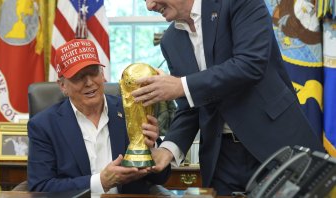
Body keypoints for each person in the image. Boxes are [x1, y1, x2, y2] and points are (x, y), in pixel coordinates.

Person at [132, 0, 325, 195]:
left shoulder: (238, 2)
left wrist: (181, 85)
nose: (149, 6)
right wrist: (168, 149)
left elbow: (250, 64)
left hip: (274, 144)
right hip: (221, 159)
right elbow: (189, 106)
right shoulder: (170, 41)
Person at [27, 38, 170, 194]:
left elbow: (162, 178)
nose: (89, 82)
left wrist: (153, 148)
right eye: (78, 77)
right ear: (63, 86)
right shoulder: (44, 125)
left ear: (103, 75)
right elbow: (40, 188)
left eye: (93, 72)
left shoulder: (132, 110)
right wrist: (100, 182)